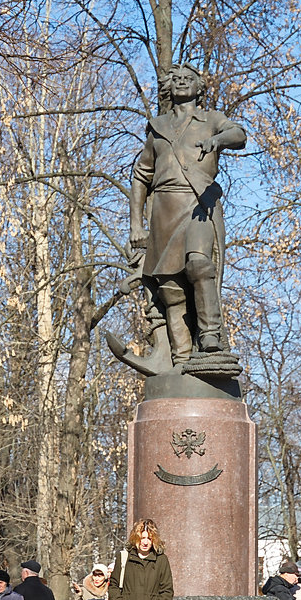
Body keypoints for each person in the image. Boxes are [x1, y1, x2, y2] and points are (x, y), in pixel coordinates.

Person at [108, 63, 247, 374]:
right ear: (168, 89)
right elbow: (141, 175)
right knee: (171, 290)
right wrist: (135, 225)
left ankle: (210, 336)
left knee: (200, 264)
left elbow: (239, 133)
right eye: (176, 79)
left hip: (199, 204)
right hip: (165, 210)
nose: (182, 82)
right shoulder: (157, 126)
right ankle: (181, 365)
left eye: (189, 79)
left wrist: (219, 140)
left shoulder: (211, 120)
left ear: (199, 88)